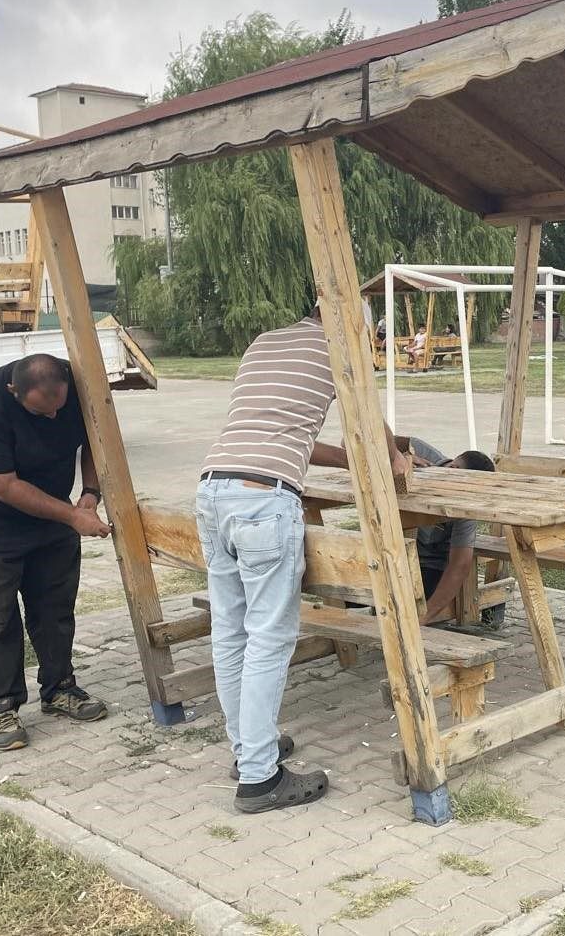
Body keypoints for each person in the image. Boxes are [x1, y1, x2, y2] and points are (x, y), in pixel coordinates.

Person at [198, 304, 409, 815]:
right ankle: (259, 780)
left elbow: (286, 432)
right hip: (264, 500)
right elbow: (364, 418)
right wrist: (396, 457)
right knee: (269, 639)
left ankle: (249, 749)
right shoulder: (339, 346)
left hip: (213, 489)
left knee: (231, 631)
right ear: (353, 324)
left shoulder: (264, 342)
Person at [0, 354, 111, 752]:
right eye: (40, 411)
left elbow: (98, 441)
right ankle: (3, 705)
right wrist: (71, 515)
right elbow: (3, 486)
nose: (52, 418)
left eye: (58, 408)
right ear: (15, 392)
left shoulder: (77, 387)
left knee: (54, 601)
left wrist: (89, 494)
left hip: (50, 505)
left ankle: (60, 688)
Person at [406, 439, 496, 626]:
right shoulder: (420, 450)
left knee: (409, 599)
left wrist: (423, 618)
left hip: (428, 565)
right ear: (453, 469)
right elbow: (352, 441)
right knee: (354, 590)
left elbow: (460, 564)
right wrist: (398, 457)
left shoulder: (466, 505)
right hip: (393, 553)